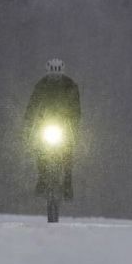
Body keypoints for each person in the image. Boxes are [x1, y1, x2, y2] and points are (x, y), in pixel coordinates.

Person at [23, 58, 81, 199]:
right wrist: (28, 120)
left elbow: (76, 106)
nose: (55, 78)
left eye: (57, 75)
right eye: (52, 75)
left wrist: (74, 120)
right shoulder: (41, 85)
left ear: (62, 73)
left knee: (68, 149)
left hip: (64, 122)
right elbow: (33, 104)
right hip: (46, 122)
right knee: (39, 148)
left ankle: (67, 181)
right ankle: (42, 177)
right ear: (48, 73)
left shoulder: (70, 84)